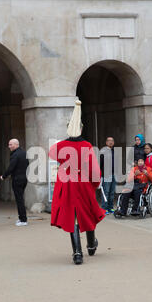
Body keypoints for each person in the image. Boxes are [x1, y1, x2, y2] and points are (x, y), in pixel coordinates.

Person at [49, 100, 105, 265]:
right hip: (82, 183)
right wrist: (95, 183)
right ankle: (90, 245)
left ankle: (77, 253)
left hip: (67, 184)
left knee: (72, 216)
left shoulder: (61, 145)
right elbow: (94, 171)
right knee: (87, 212)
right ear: (80, 128)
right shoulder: (86, 145)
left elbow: (53, 154)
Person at [0, 139, 29, 226]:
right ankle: (22, 218)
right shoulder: (24, 153)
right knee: (20, 199)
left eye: (11, 144)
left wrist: (3, 176)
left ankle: (23, 220)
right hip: (24, 179)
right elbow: (27, 164)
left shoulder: (15, 154)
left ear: (16, 145)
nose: (9, 146)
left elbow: (11, 167)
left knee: (19, 200)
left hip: (17, 180)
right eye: (9, 144)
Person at [100, 137, 116, 215]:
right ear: (106, 142)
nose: (110, 142)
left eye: (112, 141)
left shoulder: (113, 151)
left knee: (112, 192)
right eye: (109, 141)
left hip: (113, 174)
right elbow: (100, 164)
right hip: (106, 174)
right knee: (106, 192)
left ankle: (110, 207)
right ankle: (104, 208)